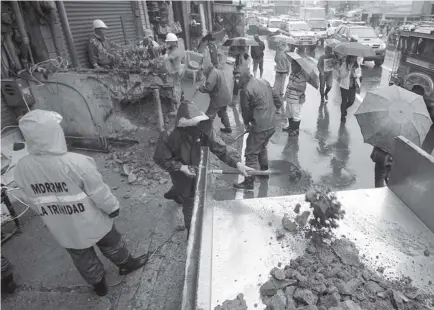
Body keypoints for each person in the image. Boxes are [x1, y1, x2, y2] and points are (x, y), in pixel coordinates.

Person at [13, 110, 148, 297]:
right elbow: (99, 191)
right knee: (112, 242)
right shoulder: (76, 162)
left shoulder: (22, 167)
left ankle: (98, 285)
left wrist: (49, 214)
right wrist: (112, 207)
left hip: (61, 225)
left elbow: (30, 198)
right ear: (54, 133)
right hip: (92, 219)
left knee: (81, 255)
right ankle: (126, 264)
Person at [154, 100, 252, 235]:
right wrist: (181, 167)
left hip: (198, 169)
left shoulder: (203, 129)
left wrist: (237, 164)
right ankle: (191, 232)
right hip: (180, 173)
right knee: (188, 200)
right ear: (182, 125)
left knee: (194, 193)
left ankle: (176, 195)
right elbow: (160, 158)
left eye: (198, 123)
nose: (196, 128)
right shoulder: (169, 136)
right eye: (191, 125)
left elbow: (220, 148)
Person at [234, 72, 282, 190]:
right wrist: (278, 107)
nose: (235, 81)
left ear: (242, 78)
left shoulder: (245, 90)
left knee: (251, 152)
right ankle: (264, 172)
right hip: (271, 124)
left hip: (260, 126)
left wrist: (247, 123)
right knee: (262, 146)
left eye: (236, 78)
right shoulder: (263, 81)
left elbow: (246, 110)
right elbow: (277, 97)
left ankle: (249, 182)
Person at [197, 62, 232, 133]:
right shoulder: (217, 71)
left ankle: (206, 131)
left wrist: (200, 88)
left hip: (218, 98)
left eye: (203, 70)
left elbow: (208, 88)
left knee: (209, 115)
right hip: (225, 96)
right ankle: (228, 128)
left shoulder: (212, 74)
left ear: (207, 69)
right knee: (223, 113)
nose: (202, 72)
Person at [283, 60, 307, 136]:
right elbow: (288, 85)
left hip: (296, 99)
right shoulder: (292, 74)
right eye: (291, 65)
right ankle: (291, 127)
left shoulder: (302, 77)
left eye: (293, 65)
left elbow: (302, 88)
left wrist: (294, 86)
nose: (292, 67)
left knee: (296, 114)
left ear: (298, 66)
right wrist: (286, 95)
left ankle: (296, 130)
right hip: (289, 98)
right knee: (289, 113)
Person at [336, 55, 361, 123]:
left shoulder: (357, 65)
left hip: (352, 86)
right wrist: (348, 71)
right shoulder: (344, 64)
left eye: (355, 57)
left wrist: (355, 74)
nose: (353, 59)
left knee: (351, 101)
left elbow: (359, 74)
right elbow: (341, 75)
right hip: (344, 86)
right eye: (352, 57)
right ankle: (343, 116)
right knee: (344, 101)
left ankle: (344, 109)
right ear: (349, 57)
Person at [164, 33, 184, 114]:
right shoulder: (172, 50)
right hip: (173, 73)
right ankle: (176, 107)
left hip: (175, 73)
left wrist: (165, 55)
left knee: (176, 91)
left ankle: (177, 109)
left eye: (168, 42)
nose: (167, 44)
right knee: (174, 90)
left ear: (172, 42)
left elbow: (168, 59)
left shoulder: (175, 52)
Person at [273, 42, 291, 113]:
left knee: (277, 81)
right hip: (284, 71)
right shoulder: (285, 55)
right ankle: (281, 92)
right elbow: (288, 64)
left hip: (278, 70)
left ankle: (275, 90)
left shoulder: (277, 54)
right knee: (282, 82)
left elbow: (275, 60)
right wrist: (288, 71)